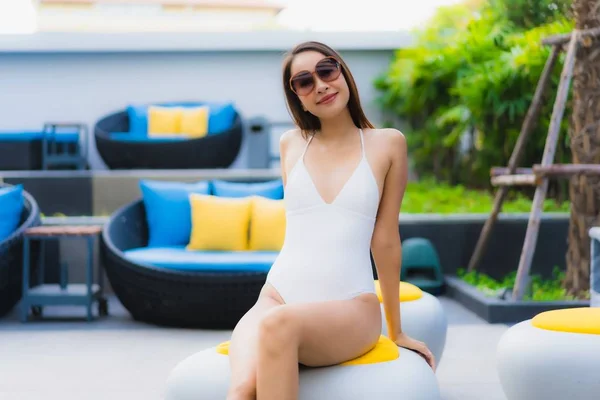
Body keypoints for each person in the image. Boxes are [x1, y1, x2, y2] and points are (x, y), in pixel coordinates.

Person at [226, 41, 435, 400]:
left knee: (278, 326)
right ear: (298, 98)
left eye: (327, 70)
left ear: (343, 73)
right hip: (276, 297)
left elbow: (384, 240)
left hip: (352, 309)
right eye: (304, 81)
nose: (320, 85)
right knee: (243, 388)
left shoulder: (387, 144)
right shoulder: (291, 144)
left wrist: (397, 331)